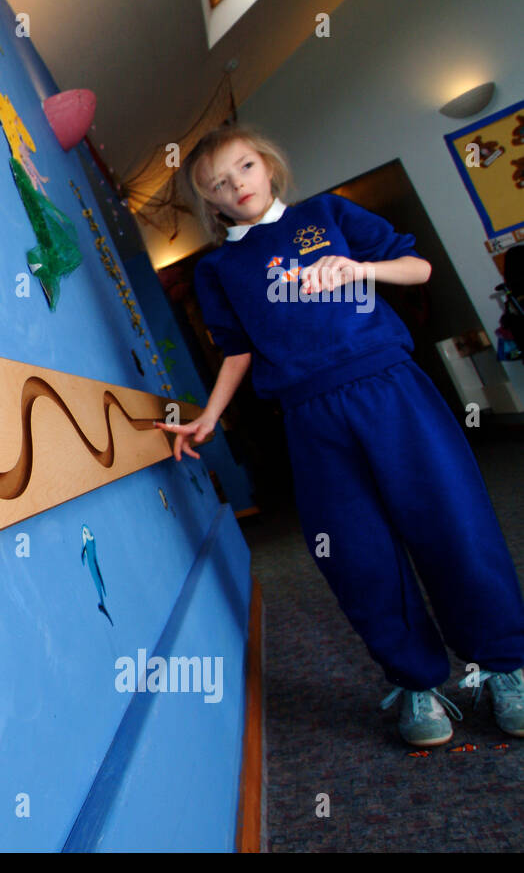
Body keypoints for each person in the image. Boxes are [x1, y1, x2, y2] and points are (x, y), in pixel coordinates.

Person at [154, 123, 524, 747]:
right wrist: (211, 415)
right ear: (210, 203)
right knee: (355, 552)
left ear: (266, 164)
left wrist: (359, 266)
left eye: (244, 167)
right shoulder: (219, 271)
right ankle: (415, 682)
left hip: (390, 389)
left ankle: (504, 667)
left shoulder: (328, 214)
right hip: (310, 419)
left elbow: (418, 265)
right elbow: (238, 353)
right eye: (218, 182)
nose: (235, 184)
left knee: (452, 521)